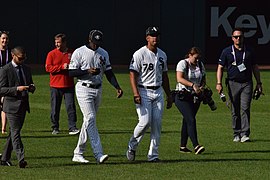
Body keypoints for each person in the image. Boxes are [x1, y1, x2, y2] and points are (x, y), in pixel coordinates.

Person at [68, 29, 123, 164]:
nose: (95, 45)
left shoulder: (103, 53)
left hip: (98, 89)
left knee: (88, 121)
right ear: (89, 39)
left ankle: (78, 153)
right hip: (83, 88)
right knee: (90, 118)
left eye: (98, 42)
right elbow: (71, 72)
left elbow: (109, 72)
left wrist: (117, 86)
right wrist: (87, 71)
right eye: (94, 42)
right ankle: (98, 153)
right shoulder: (79, 52)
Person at [126, 26, 173, 162]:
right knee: (145, 122)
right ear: (147, 38)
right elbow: (132, 74)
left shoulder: (162, 55)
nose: (155, 38)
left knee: (157, 124)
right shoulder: (139, 54)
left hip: (158, 91)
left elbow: (164, 76)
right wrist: (136, 93)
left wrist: (169, 95)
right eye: (152, 35)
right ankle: (132, 146)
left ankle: (153, 155)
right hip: (143, 90)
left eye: (157, 35)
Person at [216, 27, 262, 143]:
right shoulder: (226, 51)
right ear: (232, 38)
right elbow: (220, 68)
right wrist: (219, 83)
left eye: (240, 36)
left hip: (247, 83)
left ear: (243, 37)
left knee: (245, 108)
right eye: (236, 37)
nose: (238, 39)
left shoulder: (249, 51)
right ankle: (236, 133)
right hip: (232, 83)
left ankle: (245, 133)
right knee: (234, 109)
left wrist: (259, 83)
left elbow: (255, 67)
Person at [0, 46, 36, 168]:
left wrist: (31, 87)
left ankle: (4, 158)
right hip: (11, 106)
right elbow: (1, 89)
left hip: (23, 105)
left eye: (24, 58)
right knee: (15, 132)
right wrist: (16, 89)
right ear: (13, 56)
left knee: (14, 133)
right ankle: (21, 158)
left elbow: (30, 82)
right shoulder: (5, 70)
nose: (22, 61)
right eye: (20, 58)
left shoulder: (26, 68)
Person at [173, 47, 206, 155]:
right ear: (189, 55)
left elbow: (203, 78)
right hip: (182, 96)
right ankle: (196, 145)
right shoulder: (183, 63)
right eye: (195, 58)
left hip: (195, 96)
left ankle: (183, 146)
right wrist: (193, 85)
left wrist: (201, 88)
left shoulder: (200, 65)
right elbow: (179, 78)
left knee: (187, 120)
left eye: (198, 58)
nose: (197, 61)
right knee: (191, 119)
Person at [45, 33, 79, 135]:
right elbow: (48, 68)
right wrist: (61, 67)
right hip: (55, 86)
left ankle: (72, 127)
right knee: (55, 108)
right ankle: (55, 127)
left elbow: (77, 66)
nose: (57, 44)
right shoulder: (51, 54)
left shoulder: (72, 53)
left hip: (69, 85)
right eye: (56, 42)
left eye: (59, 42)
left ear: (64, 42)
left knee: (71, 107)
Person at [0, 31, 12, 135]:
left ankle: (3, 128)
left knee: (4, 103)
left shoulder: (11, 53)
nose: (5, 40)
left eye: (6, 39)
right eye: (3, 38)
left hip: (6, 81)